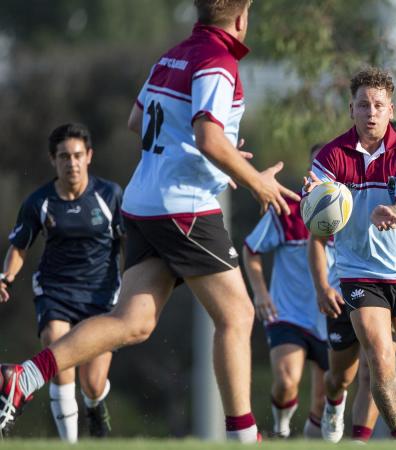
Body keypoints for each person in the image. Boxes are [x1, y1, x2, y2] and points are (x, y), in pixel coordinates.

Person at [0, 0, 298, 441]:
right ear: (241, 16)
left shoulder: (172, 55)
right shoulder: (219, 62)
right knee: (237, 314)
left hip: (143, 201)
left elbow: (137, 120)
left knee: (133, 321)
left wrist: (221, 161)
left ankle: (23, 377)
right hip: (184, 206)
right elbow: (208, 136)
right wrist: (253, 180)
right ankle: (244, 436)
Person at [305, 67, 396, 443]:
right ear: (352, 109)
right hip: (359, 271)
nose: (371, 112)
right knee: (380, 359)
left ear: (391, 109)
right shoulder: (331, 157)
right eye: (363, 105)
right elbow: (316, 223)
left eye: (379, 105)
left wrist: (394, 212)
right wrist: (313, 200)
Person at [0, 124, 122, 442]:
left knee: (93, 384)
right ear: (53, 160)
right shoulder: (38, 202)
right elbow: (19, 247)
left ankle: (96, 406)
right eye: (65, 156)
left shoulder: (110, 195)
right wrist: (6, 278)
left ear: (90, 157)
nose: (72, 163)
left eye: (78, 155)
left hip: (102, 294)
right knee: (58, 352)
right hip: (55, 292)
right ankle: (70, 445)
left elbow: (132, 241)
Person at [318, 191, 396, 443]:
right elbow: (316, 241)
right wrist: (322, 287)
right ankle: (333, 404)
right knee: (340, 377)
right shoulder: (336, 193)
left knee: (378, 365)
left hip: (395, 288)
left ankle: (363, 440)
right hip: (345, 289)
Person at [241, 144, 331, 438]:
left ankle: (309, 441)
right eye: (319, 168)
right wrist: (261, 293)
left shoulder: (349, 213)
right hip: (288, 314)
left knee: (323, 399)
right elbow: (251, 249)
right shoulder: (288, 207)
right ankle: (280, 432)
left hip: (332, 315)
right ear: (310, 172)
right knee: (286, 381)